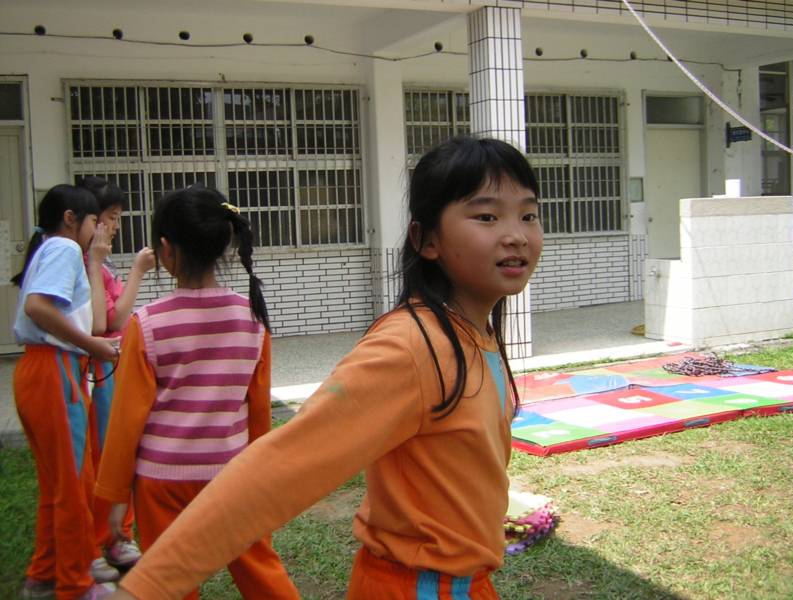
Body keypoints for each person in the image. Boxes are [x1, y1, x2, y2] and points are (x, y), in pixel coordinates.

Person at [109, 135, 543, 599]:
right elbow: (277, 468)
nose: (516, 234)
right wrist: (144, 589)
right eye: (487, 216)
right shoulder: (411, 348)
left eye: (529, 215)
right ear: (426, 239)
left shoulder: (474, 333)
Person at [94, 185, 300, 600]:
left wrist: (114, 497)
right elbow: (258, 410)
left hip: (161, 481)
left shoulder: (146, 324)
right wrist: (259, 475)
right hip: (232, 476)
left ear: (166, 251)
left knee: (169, 582)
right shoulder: (252, 320)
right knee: (260, 571)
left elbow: (126, 419)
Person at [12, 184, 120, 600]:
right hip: (55, 371)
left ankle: (43, 575)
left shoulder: (51, 249)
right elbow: (38, 307)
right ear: (72, 219)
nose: (100, 229)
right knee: (74, 484)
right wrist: (92, 345)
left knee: (58, 484)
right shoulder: (64, 248)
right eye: (95, 220)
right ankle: (76, 584)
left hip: (42, 370)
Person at [77, 176, 156, 583]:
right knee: (106, 456)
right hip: (100, 372)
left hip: (112, 367)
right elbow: (108, 320)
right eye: (108, 217)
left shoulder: (99, 265)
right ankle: (99, 540)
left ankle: (116, 536)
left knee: (119, 450)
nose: (113, 226)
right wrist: (138, 271)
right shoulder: (86, 264)